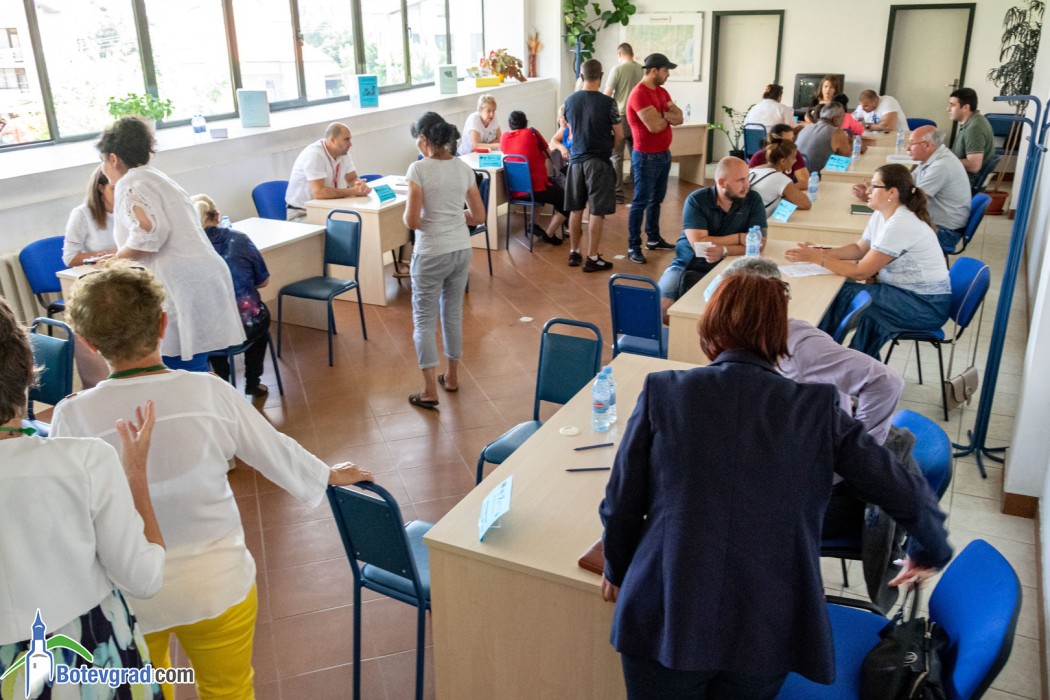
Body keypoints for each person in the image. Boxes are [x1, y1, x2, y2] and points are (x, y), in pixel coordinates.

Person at [599, 272, 952, 700]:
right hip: (766, 625)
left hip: (669, 612)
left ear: (709, 331)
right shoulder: (817, 409)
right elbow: (902, 487)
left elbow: (620, 503)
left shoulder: (665, 392)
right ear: (778, 337)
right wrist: (928, 549)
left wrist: (617, 570)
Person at [51, 263, 374, 700]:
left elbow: (70, 507)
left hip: (130, 594)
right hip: (217, 584)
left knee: (148, 691)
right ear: (163, 324)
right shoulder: (209, 391)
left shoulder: (72, 415)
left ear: (89, 342)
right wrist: (327, 474)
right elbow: (273, 449)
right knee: (229, 691)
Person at [0, 294, 166, 699]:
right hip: (90, 651)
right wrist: (135, 474)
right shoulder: (86, 460)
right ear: (27, 366)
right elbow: (143, 577)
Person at [714, 256, 906, 542]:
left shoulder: (799, 345)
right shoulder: (760, 339)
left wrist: (858, 451)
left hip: (824, 496)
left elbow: (886, 382)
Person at [97, 116, 244, 372]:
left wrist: (115, 260)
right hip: (198, 273)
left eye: (102, 161)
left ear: (113, 158)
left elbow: (150, 234)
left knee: (181, 361)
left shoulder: (130, 183)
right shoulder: (156, 177)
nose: (103, 169)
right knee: (193, 358)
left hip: (179, 279)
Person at [786, 164, 952, 360]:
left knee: (842, 294)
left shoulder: (901, 223)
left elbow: (861, 272)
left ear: (892, 192)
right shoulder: (882, 214)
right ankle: (825, 356)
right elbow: (859, 249)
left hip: (924, 306)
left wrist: (819, 259)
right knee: (852, 296)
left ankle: (816, 355)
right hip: (904, 295)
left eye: (874, 186)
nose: (868, 191)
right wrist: (821, 252)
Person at [403, 112, 486, 410]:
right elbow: (478, 216)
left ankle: (429, 390)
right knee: (452, 314)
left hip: (431, 253)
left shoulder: (418, 169)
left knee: (424, 320)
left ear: (424, 139)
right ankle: (451, 377)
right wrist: (453, 215)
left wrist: (429, 217)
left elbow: (412, 221)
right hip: (460, 250)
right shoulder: (464, 169)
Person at [656, 157, 766, 322]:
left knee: (727, 313)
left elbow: (759, 244)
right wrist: (738, 238)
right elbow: (700, 244)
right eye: (740, 180)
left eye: (747, 178)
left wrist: (724, 250)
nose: (747, 185)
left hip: (731, 266)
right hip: (687, 264)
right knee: (662, 309)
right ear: (722, 182)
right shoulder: (697, 200)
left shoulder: (753, 199)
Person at [190, 194, 273, 398]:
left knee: (212, 331)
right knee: (260, 320)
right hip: (247, 325)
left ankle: (223, 386)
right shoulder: (240, 239)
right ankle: (253, 382)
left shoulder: (187, 250)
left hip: (208, 331)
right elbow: (263, 281)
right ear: (217, 216)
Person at [853, 126, 971, 250]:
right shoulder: (932, 158)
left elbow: (913, 199)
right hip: (934, 222)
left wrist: (876, 196)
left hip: (945, 232)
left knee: (885, 236)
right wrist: (876, 188)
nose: (907, 148)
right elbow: (907, 184)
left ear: (927, 145)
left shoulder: (941, 166)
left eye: (911, 143)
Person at [563, 58, 624, 273]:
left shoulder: (569, 101)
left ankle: (574, 252)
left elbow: (570, 131)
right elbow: (619, 135)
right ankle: (592, 257)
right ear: (601, 77)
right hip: (598, 162)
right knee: (596, 211)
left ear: (581, 76)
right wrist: (610, 148)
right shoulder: (609, 103)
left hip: (575, 162)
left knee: (576, 209)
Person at [624, 53, 683, 264]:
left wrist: (662, 114)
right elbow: (654, 126)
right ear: (654, 71)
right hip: (646, 157)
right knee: (640, 201)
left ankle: (653, 238)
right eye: (666, 70)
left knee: (656, 200)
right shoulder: (639, 94)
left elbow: (680, 118)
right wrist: (666, 115)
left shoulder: (661, 91)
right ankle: (633, 246)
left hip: (664, 154)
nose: (668, 75)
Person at [500, 110, 567, 245]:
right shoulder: (532, 133)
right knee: (566, 199)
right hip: (535, 189)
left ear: (509, 124)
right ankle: (549, 234)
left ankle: (533, 225)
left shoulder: (504, 137)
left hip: (515, 191)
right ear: (526, 122)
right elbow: (548, 153)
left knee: (547, 190)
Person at [285, 122, 372, 220]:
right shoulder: (314, 154)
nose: (350, 144)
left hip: (329, 209)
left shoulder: (343, 152)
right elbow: (319, 192)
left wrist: (360, 186)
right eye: (346, 139)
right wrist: (352, 191)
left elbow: (352, 178)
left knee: (364, 221)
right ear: (332, 140)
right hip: (302, 213)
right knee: (351, 225)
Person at [603, 43, 644, 203]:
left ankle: (618, 193)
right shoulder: (641, 69)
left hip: (621, 116)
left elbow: (607, 95)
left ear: (620, 54)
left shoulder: (617, 69)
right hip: (638, 117)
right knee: (636, 153)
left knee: (616, 156)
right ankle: (634, 183)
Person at [63, 166, 117, 266]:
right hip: (101, 271)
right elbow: (69, 258)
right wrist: (112, 254)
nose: (120, 193)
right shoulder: (81, 214)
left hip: (129, 268)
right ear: (101, 188)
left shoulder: (132, 209)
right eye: (113, 188)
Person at [947, 87, 995, 189]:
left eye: (952, 105)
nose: (948, 109)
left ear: (965, 107)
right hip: (961, 176)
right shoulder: (973, 121)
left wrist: (946, 160)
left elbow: (974, 166)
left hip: (965, 181)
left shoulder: (974, 128)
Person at [747, 140, 812, 217]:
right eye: (793, 157)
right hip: (763, 221)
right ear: (783, 161)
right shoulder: (780, 179)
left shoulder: (753, 170)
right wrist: (789, 195)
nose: (795, 161)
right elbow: (806, 204)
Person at [796, 102, 858, 173]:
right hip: (815, 177)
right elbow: (845, 156)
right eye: (843, 117)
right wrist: (850, 143)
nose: (843, 120)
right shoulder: (836, 132)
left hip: (796, 175)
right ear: (835, 119)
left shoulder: (807, 128)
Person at [747, 123, 810, 189]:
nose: (791, 143)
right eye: (787, 140)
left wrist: (784, 190)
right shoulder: (759, 156)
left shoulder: (793, 153)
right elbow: (748, 183)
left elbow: (806, 182)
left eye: (792, 139)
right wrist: (783, 189)